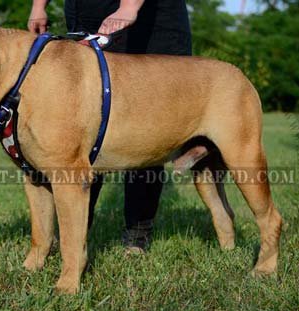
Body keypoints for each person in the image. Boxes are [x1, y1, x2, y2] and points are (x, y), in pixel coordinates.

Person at [28, 0, 192, 253]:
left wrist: (129, 6)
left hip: (150, 20)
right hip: (89, 15)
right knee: (79, 126)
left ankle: (137, 232)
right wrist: (38, 6)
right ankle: (74, 235)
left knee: (145, 125)